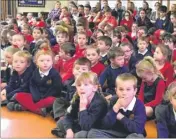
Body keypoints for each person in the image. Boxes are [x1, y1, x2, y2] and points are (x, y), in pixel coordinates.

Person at [87, 73, 146, 138]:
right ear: (116, 90)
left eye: (128, 89)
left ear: (135, 91)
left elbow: (138, 129)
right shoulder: (114, 100)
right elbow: (105, 125)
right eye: (121, 89)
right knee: (93, 133)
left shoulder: (139, 104)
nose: (124, 93)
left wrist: (121, 117)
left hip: (131, 134)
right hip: (115, 133)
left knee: (137, 137)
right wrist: (115, 108)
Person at [8, 48, 62, 116]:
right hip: (36, 97)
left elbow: (56, 90)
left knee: (52, 100)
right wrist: (36, 96)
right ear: (36, 62)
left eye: (48, 60)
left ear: (52, 62)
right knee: (19, 95)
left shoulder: (55, 74)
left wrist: (43, 97)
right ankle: (38, 110)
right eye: (41, 60)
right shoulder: (35, 72)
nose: (45, 63)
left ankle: (25, 107)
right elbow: (32, 85)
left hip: (47, 97)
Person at [53, 72, 108, 138]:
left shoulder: (99, 103)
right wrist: (69, 130)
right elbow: (68, 116)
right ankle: (68, 134)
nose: (81, 88)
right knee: (60, 122)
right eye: (79, 85)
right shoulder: (78, 98)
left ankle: (65, 135)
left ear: (94, 88)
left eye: (86, 85)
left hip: (94, 129)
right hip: (81, 124)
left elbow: (86, 127)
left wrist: (82, 107)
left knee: (80, 135)